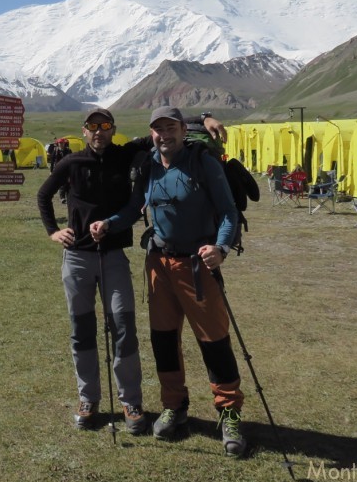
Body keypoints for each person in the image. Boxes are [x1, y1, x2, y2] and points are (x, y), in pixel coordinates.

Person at [37, 108, 226, 435]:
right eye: (93, 126)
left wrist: (205, 117)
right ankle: (88, 399)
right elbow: (43, 195)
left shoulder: (127, 154)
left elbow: (171, 132)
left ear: (113, 129)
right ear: (84, 131)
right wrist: (53, 230)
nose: (99, 131)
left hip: (113, 256)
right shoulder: (70, 163)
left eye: (105, 125)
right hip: (77, 258)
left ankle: (131, 402)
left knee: (123, 328)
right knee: (81, 330)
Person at [90, 106, 246, 456]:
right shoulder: (147, 165)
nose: (165, 134)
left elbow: (227, 212)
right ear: (152, 132)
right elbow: (134, 208)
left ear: (182, 130)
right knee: (163, 340)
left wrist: (220, 247)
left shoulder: (201, 162)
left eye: (171, 127)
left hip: (198, 265)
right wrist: (110, 223)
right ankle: (175, 406)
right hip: (158, 264)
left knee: (214, 340)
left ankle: (229, 412)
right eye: (158, 129)